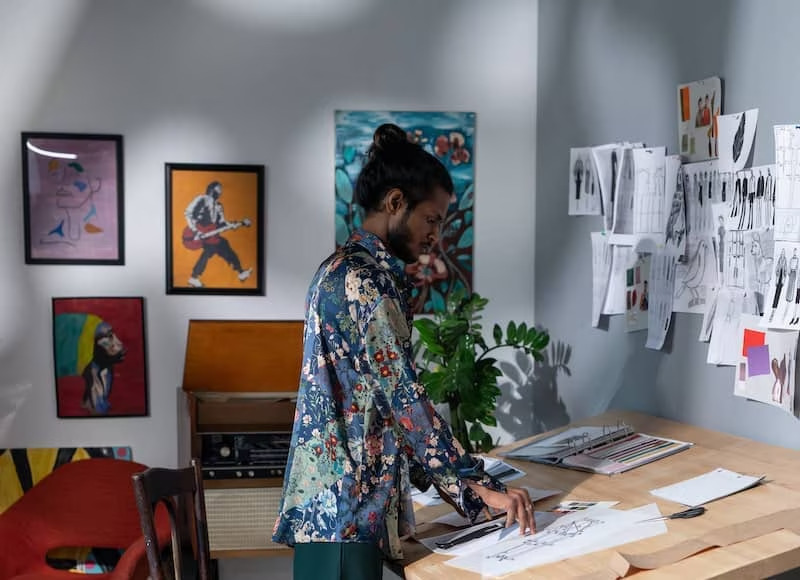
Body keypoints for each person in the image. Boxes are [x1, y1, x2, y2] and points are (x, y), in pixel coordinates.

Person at [273, 124, 535, 580]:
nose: (437, 235)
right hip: (347, 510)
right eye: (432, 219)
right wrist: (476, 487)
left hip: (339, 508)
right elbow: (404, 400)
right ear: (396, 203)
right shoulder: (366, 282)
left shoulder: (340, 269)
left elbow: (381, 403)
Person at [183, 181, 252, 288]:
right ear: (211, 190)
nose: (221, 192)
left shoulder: (219, 206)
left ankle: (194, 278)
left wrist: (237, 224)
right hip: (197, 233)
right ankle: (194, 278)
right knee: (214, 248)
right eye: (219, 189)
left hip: (211, 234)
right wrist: (196, 230)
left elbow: (222, 223)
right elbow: (188, 213)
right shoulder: (202, 199)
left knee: (219, 246)